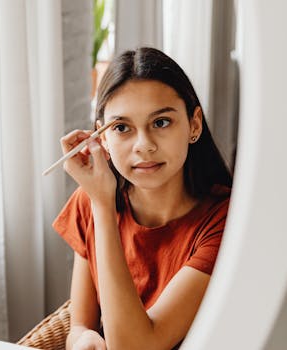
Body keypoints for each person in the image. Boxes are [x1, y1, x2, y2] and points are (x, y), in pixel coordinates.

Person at [53, 47, 232, 350]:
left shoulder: (225, 219)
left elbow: (137, 347)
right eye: (122, 128)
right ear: (103, 139)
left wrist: (103, 206)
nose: (144, 145)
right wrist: (83, 339)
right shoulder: (89, 201)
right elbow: (80, 324)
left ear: (194, 124)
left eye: (161, 122)